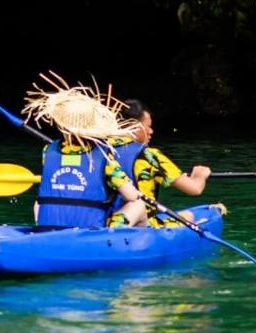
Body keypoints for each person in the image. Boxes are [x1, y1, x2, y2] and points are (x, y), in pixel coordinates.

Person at [23, 75, 142, 229]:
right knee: (138, 204)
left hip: (50, 227)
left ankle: (43, 231)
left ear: (61, 125)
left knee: (39, 201)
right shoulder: (104, 155)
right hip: (89, 231)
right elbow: (130, 195)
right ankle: (136, 244)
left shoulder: (48, 151)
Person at [106, 99, 223, 228]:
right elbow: (194, 189)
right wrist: (200, 175)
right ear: (134, 125)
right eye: (148, 126)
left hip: (104, 220)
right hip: (142, 224)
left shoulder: (99, 150)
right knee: (189, 216)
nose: (151, 131)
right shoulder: (149, 155)